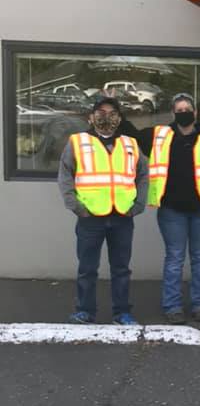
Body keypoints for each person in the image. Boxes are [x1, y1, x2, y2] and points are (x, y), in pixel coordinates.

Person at [58, 96, 148, 325]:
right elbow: (65, 175)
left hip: (122, 217)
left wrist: (138, 204)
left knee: (121, 269)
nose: (107, 117)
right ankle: (85, 311)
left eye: (112, 113)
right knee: (87, 269)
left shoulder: (130, 144)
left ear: (119, 118)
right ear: (91, 117)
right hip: (90, 218)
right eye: (101, 112)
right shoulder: (78, 142)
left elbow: (143, 174)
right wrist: (76, 207)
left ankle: (122, 313)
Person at [144, 93, 200, 324]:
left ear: (195, 112)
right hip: (172, 210)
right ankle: (172, 306)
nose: (184, 113)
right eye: (179, 110)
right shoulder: (160, 137)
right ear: (173, 113)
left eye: (187, 109)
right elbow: (130, 136)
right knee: (174, 258)